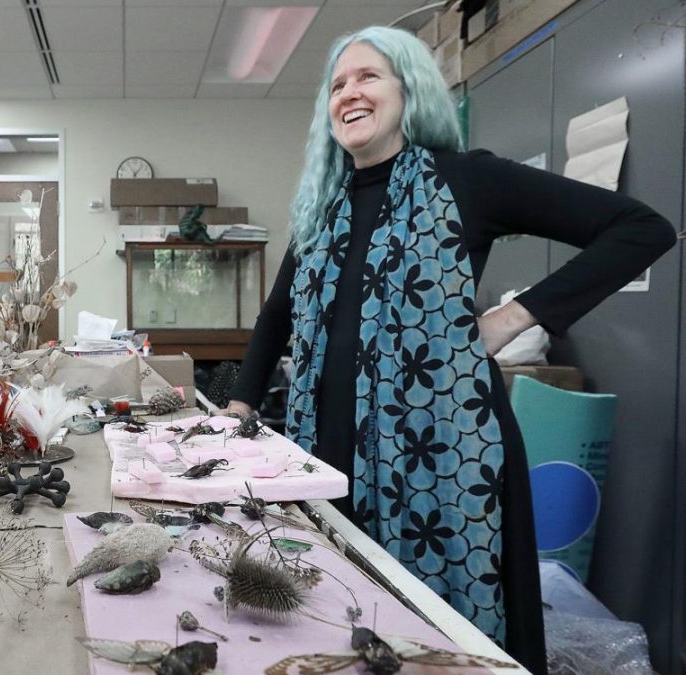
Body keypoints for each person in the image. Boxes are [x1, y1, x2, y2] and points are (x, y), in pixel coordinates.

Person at [226, 25, 677, 675]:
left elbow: (639, 229)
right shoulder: (319, 208)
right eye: (337, 83)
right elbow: (276, 316)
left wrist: (514, 316)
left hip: (443, 453)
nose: (350, 92)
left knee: (437, 627)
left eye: (368, 76)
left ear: (410, 90)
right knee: (338, 618)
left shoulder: (466, 180)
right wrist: (239, 406)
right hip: (327, 449)